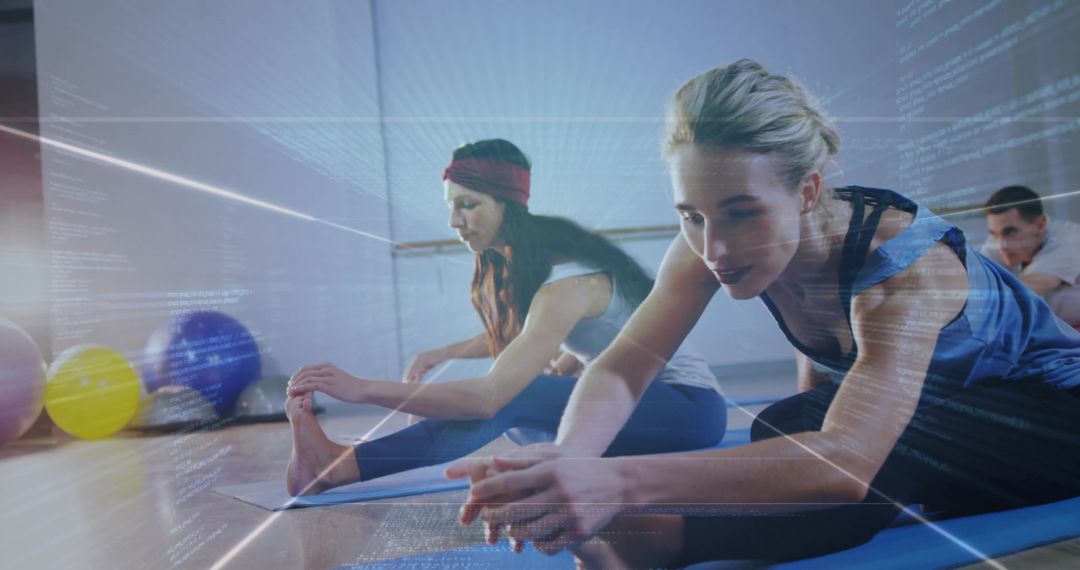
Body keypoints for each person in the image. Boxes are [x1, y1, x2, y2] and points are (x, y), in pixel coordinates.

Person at [448, 60, 1080, 568]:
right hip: (942, 410)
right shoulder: (706, 238)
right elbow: (623, 367)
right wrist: (572, 457)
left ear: (806, 192)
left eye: (742, 212)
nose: (715, 247)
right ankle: (640, 535)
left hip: (1056, 419)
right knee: (782, 432)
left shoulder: (904, 268)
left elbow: (845, 459)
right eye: (691, 215)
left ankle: (656, 541)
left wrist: (618, 484)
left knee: (853, 464)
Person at [283, 138, 726, 497]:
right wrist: (441, 355)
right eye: (451, 206)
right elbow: (530, 338)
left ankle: (340, 468)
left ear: (505, 204)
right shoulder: (530, 265)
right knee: (520, 421)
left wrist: (364, 390)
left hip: (690, 410)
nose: (454, 220)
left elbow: (489, 396)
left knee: (513, 397)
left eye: (468, 205)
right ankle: (335, 465)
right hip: (636, 406)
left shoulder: (566, 284)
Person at [981, 185, 1080, 329]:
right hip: (1052, 333)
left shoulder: (1070, 240)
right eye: (994, 234)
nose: (1002, 245)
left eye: (1010, 232)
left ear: (1039, 226)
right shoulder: (998, 241)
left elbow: (1025, 290)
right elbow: (978, 284)